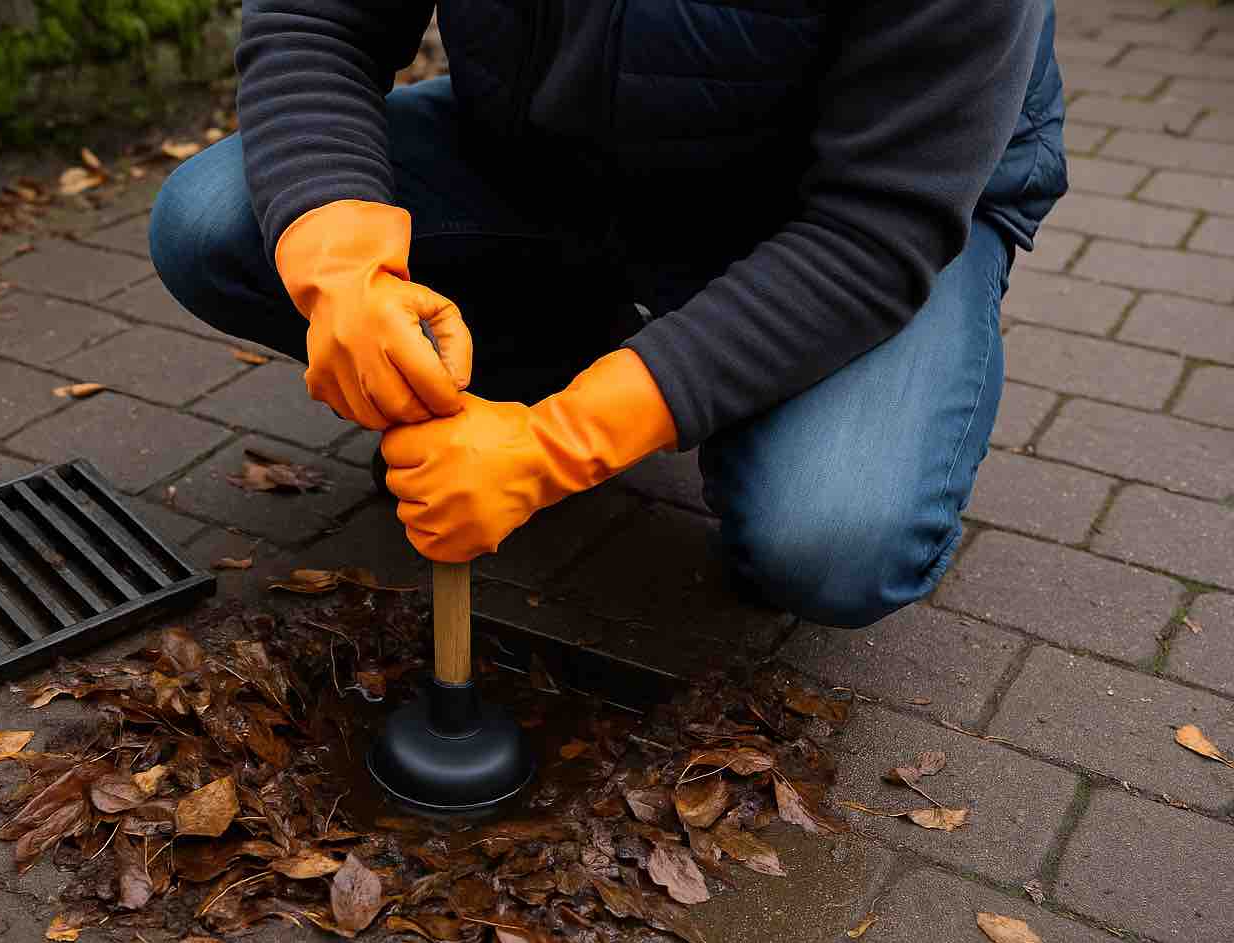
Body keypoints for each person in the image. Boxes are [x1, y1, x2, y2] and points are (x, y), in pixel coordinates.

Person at [150, 1, 1066, 629]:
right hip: (553, 157)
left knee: (830, 539)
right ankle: (550, 352)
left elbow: (876, 227)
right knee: (217, 223)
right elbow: (318, 21)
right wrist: (343, 263)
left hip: (843, 205)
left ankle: (704, 382)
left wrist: (565, 443)